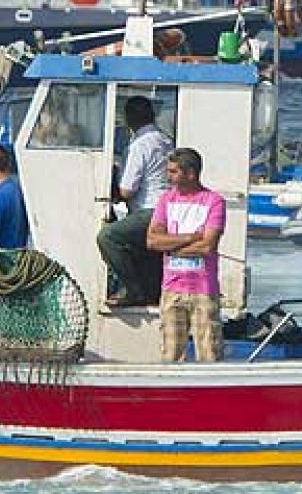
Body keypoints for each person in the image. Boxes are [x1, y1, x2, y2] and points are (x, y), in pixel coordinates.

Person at [146, 148, 227, 362]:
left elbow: (207, 246)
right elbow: (153, 240)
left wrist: (170, 245)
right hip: (172, 288)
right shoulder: (165, 200)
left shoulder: (213, 201)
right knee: (171, 354)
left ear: (190, 173)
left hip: (203, 289)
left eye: (173, 172)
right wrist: (191, 237)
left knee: (209, 353)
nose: (168, 176)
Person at [97, 96, 172, 308]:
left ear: (129, 118)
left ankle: (132, 290)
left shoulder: (140, 145)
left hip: (149, 211)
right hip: (167, 209)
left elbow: (127, 190)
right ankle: (149, 292)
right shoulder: (165, 140)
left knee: (109, 237)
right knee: (141, 251)